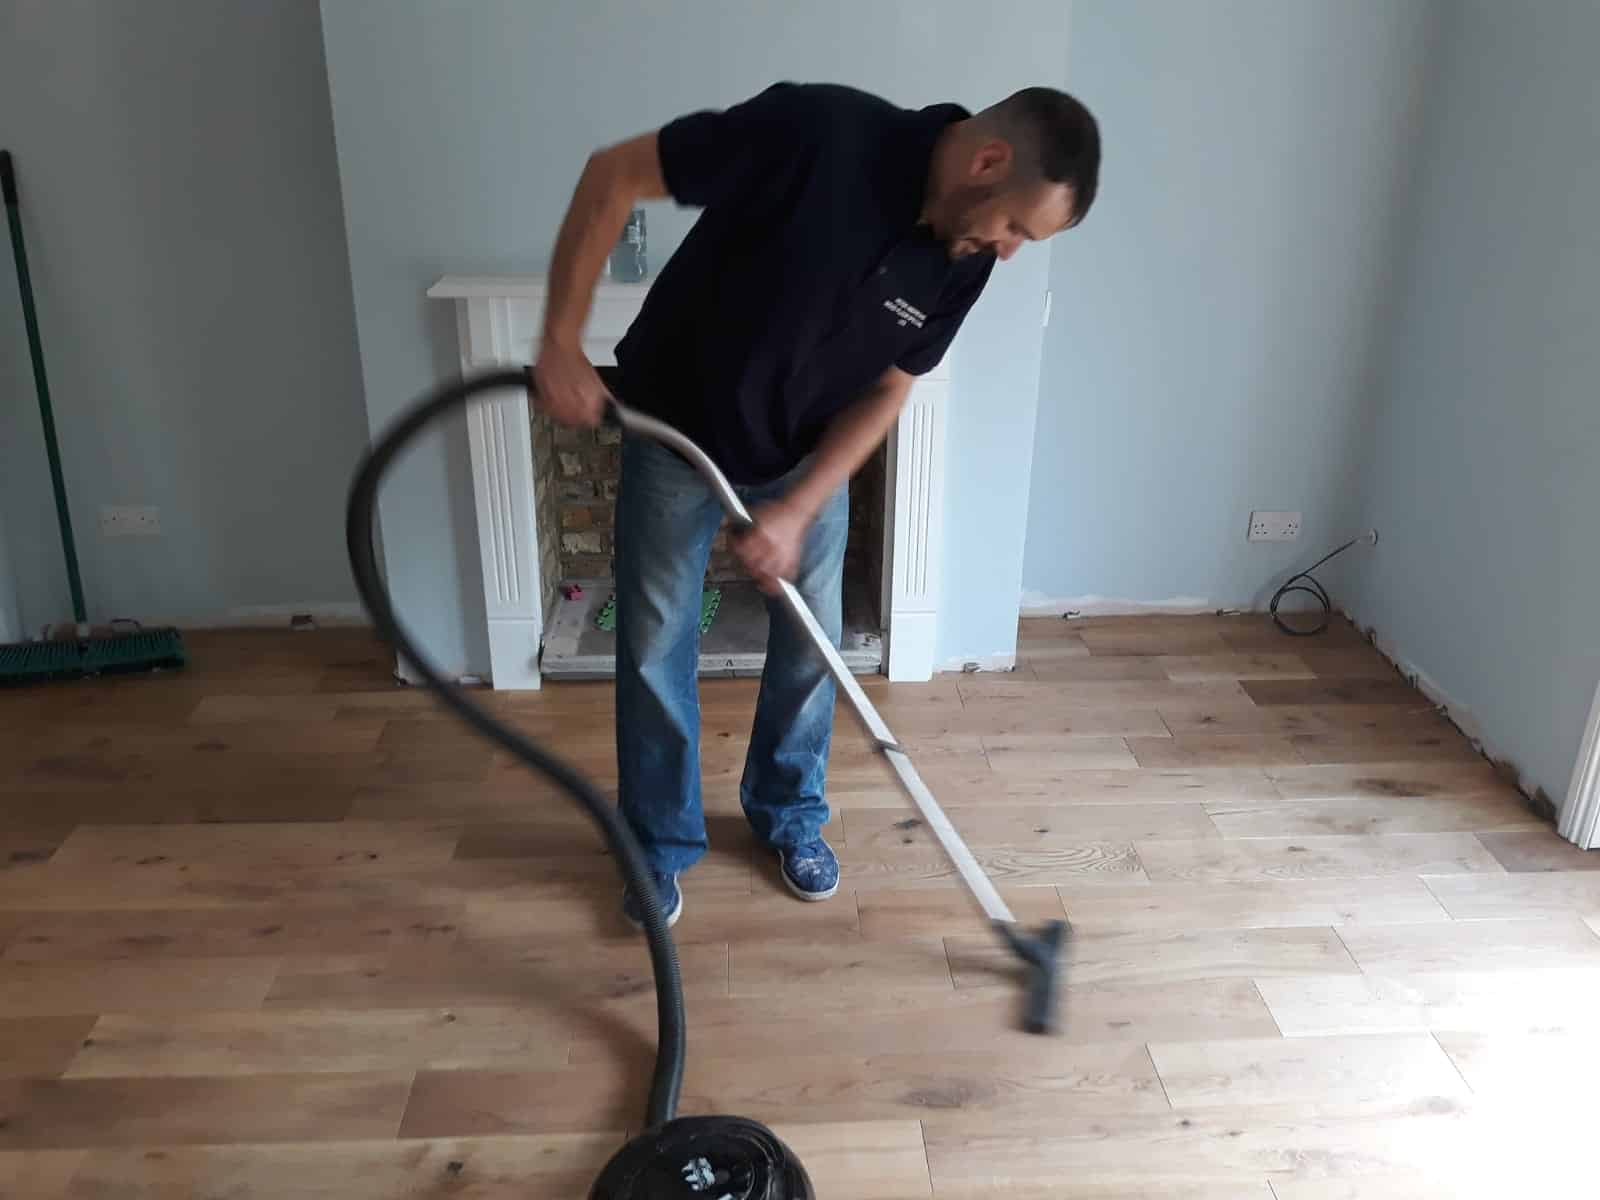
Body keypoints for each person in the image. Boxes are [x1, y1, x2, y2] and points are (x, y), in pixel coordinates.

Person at [532, 81, 1100, 928]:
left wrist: (798, 508)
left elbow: (888, 392)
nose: (1009, 250)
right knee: (654, 643)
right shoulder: (815, 133)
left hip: (803, 459)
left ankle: (789, 814)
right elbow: (613, 174)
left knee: (813, 648)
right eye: (1017, 226)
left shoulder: (961, 260)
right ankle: (657, 844)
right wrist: (558, 340)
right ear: (987, 162)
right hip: (676, 432)